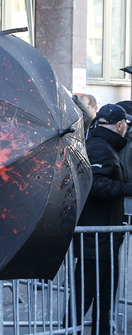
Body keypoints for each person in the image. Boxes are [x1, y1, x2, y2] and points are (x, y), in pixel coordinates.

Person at [72, 103, 132, 334]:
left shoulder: (104, 144)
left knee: (104, 295)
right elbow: (95, 184)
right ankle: (71, 329)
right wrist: (126, 188)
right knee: (84, 295)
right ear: (119, 125)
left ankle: (101, 329)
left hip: (104, 237)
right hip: (95, 239)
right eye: (125, 124)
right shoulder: (99, 146)